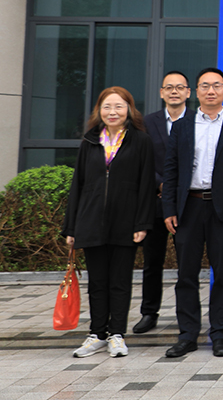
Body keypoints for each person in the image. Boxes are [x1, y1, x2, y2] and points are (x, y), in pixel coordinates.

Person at [162, 67, 223, 358]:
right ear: (196, 91)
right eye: (205, 86)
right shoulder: (182, 126)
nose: (211, 91)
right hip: (188, 207)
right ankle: (187, 335)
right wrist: (169, 209)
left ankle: (220, 335)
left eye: (216, 86)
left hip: (222, 210)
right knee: (186, 274)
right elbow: (171, 170)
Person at [63, 86, 155, 358]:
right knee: (97, 282)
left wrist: (142, 223)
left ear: (129, 110)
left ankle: (117, 334)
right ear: (99, 111)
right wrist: (71, 227)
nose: (112, 112)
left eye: (119, 106)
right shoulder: (89, 142)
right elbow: (78, 186)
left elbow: (146, 186)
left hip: (125, 222)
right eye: (107, 107)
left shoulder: (141, 141)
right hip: (91, 222)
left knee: (120, 282)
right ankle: (97, 334)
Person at [134, 71, 194, 335]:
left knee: (187, 264)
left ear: (188, 92)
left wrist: (178, 189)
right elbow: (142, 161)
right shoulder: (147, 123)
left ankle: (187, 315)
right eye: (169, 87)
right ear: (161, 92)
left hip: (188, 204)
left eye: (179, 87)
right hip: (156, 201)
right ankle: (149, 312)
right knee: (152, 261)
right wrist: (163, 186)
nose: (174, 92)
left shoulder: (198, 120)